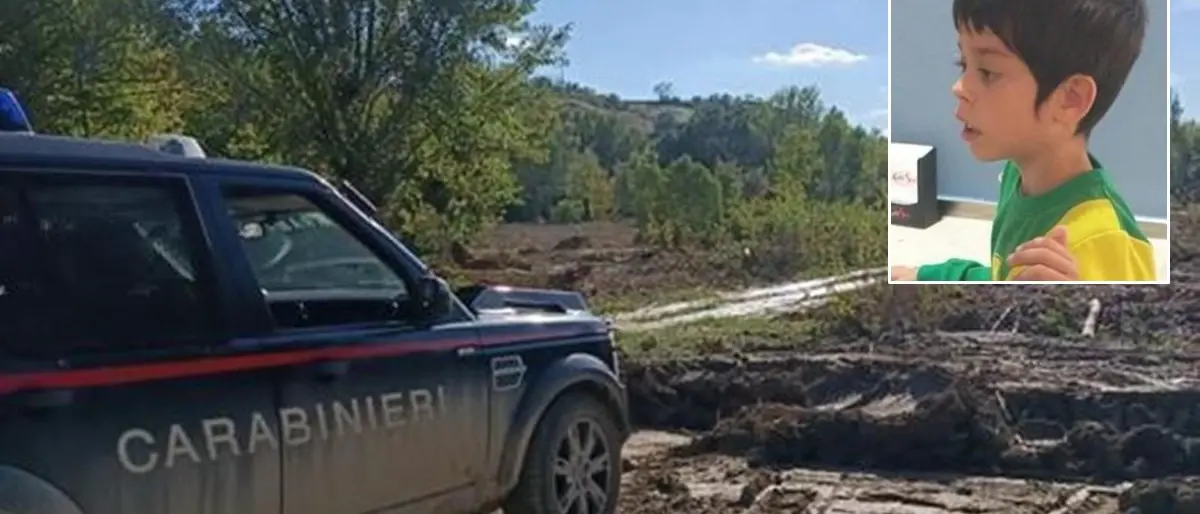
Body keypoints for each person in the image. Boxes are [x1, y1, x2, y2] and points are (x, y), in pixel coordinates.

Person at [892, 0, 1156, 282]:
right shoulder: (1016, 176)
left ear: (1070, 99)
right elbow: (1000, 276)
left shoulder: (1104, 243)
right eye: (963, 64)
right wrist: (924, 275)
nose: (958, 88)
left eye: (988, 72)